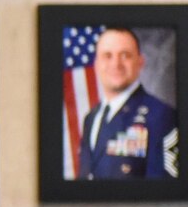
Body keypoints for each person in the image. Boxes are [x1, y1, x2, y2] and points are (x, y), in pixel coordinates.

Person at [77, 26, 180, 180]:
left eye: (125, 55)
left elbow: (162, 195)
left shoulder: (161, 116)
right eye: (107, 56)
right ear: (97, 64)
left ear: (140, 62)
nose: (116, 64)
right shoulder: (91, 118)